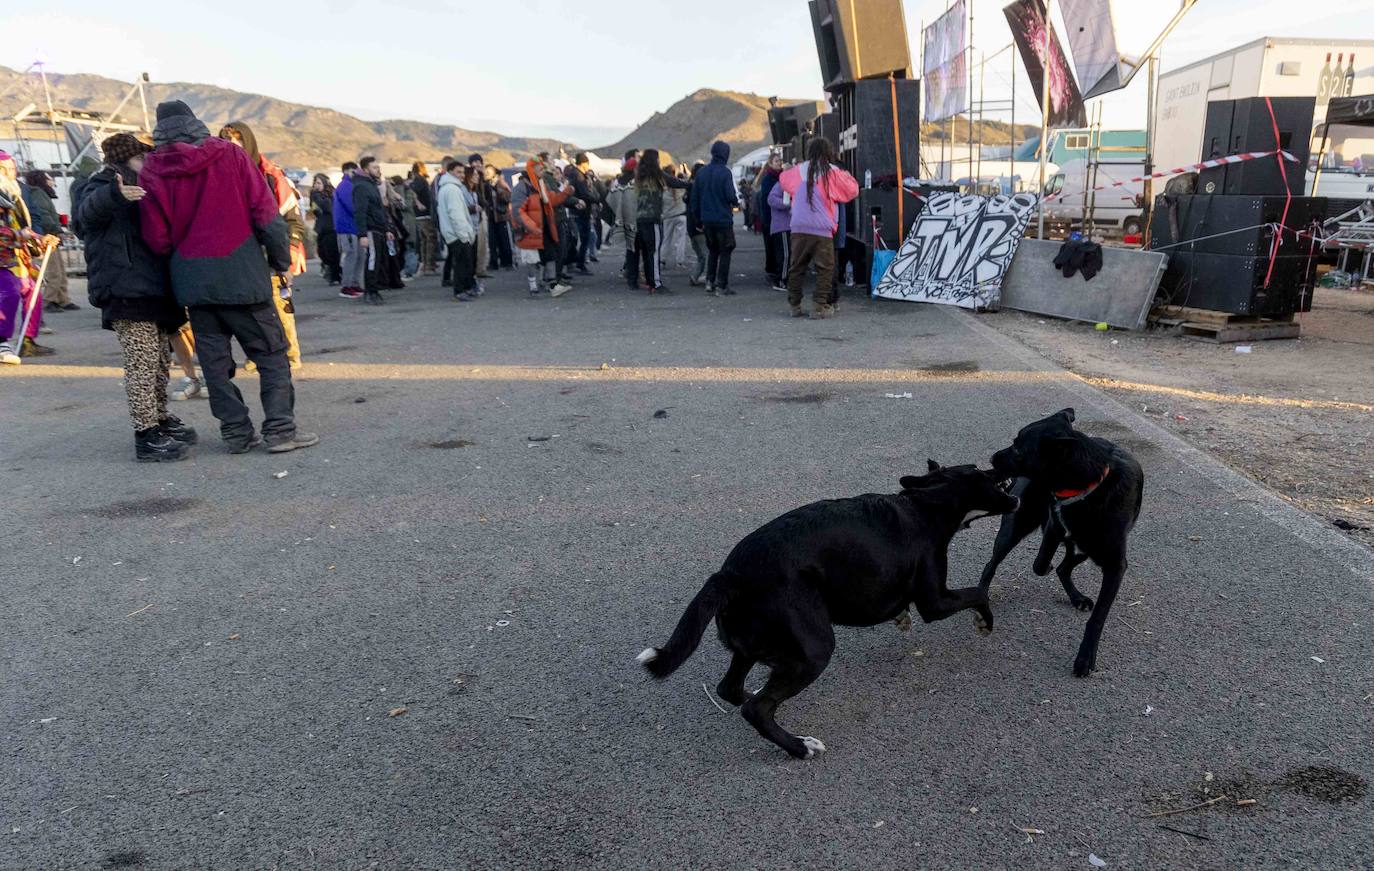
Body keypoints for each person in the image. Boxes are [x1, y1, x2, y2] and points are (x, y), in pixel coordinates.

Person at [138, 100, 317, 454]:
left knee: (215, 364)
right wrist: (281, 261)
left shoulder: (152, 170)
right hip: (242, 275)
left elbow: (156, 237)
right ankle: (280, 430)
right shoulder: (229, 156)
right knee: (270, 354)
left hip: (193, 283)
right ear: (195, 123)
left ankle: (236, 433)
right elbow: (266, 215)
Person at [71, 132, 195, 462]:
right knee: (141, 364)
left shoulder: (147, 184)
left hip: (153, 288)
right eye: (143, 157)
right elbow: (84, 217)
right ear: (128, 157)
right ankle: (146, 433)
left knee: (158, 363)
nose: (149, 162)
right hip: (126, 290)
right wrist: (115, 194)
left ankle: (160, 418)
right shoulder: (101, 184)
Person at [218, 121, 305, 369]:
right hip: (238, 256)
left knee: (279, 306)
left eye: (238, 143)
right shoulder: (219, 178)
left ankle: (289, 353)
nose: (233, 149)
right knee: (247, 312)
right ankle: (257, 354)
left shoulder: (271, 175)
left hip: (271, 253)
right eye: (227, 144)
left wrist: (287, 258)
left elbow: (291, 218)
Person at [778, 137, 858, 319]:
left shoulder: (798, 170)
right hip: (822, 229)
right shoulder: (832, 172)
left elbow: (783, 180)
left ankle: (795, 306)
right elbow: (852, 189)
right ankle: (819, 307)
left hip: (798, 227)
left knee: (796, 268)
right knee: (825, 269)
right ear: (828, 152)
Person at [0, 150, 59, 362]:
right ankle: (2, 342)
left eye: (13, 169)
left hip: (16, 258)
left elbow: (22, 227)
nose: (12, 173)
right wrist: (19, 235)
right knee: (10, 293)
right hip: (4, 260)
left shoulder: (12, 196)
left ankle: (27, 340)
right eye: (7, 169)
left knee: (32, 293)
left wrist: (41, 239)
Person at [511, 157, 571, 298]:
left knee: (550, 256)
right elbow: (517, 211)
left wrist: (566, 193)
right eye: (540, 169)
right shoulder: (521, 188)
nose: (543, 172)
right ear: (532, 170)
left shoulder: (542, 184)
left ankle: (552, 286)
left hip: (544, 228)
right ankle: (533, 288)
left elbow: (551, 200)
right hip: (529, 231)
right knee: (532, 260)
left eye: (543, 169)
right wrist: (531, 227)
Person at [688, 140, 740, 296]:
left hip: (707, 221)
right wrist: (736, 202)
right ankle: (721, 285)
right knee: (726, 250)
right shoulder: (725, 172)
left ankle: (709, 281)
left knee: (713, 251)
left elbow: (694, 199)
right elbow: (731, 195)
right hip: (723, 220)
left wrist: (698, 220)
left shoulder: (702, 173)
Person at [633, 149, 688, 293]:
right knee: (654, 251)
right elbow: (674, 182)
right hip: (653, 219)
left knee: (645, 252)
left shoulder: (640, 175)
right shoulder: (658, 175)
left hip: (640, 219)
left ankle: (650, 282)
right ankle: (656, 284)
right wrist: (690, 184)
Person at [23, 171, 75, 312]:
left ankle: (62, 298)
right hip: (46, 236)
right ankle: (49, 300)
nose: (52, 181)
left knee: (60, 269)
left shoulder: (41, 194)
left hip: (50, 234)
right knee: (54, 270)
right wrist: (56, 229)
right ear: (43, 180)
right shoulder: (38, 193)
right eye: (49, 179)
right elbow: (44, 215)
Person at [436, 159, 478, 301]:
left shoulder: (448, 188)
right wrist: (464, 234)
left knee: (463, 262)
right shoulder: (452, 189)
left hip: (452, 232)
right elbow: (456, 215)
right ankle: (460, 291)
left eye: (462, 172)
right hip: (457, 234)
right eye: (458, 172)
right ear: (450, 172)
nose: (461, 175)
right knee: (462, 264)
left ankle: (465, 289)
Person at [352, 156, 391, 305]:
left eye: (378, 167)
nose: (378, 170)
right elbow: (360, 212)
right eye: (375, 167)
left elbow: (379, 209)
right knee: (372, 261)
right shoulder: (361, 186)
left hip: (378, 228)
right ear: (366, 169)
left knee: (377, 260)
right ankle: (370, 291)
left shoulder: (371, 185)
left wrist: (386, 228)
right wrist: (362, 234)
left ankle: (375, 289)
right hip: (370, 229)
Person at [565, 153, 599, 275]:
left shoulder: (575, 174)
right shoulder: (578, 176)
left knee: (581, 239)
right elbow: (585, 194)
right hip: (580, 212)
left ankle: (576, 263)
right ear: (584, 163)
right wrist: (597, 199)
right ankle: (579, 264)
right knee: (583, 239)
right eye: (587, 163)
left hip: (578, 211)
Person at [333, 161, 363, 298]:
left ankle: (355, 283)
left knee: (359, 256)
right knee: (351, 255)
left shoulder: (350, 185)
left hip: (353, 227)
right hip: (347, 227)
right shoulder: (345, 186)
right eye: (354, 171)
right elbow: (352, 206)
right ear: (347, 171)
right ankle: (346, 285)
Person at [758, 152, 787, 290]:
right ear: (770, 163)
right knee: (773, 248)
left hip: (779, 218)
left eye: (780, 160)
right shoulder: (768, 179)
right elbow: (767, 200)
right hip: (771, 219)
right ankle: (773, 273)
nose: (779, 163)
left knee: (778, 248)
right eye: (776, 161)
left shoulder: (781, 177)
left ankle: (775, 272)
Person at [608, 157, 638, 288]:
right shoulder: (636, 182)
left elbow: (610, 199)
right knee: (637, 250)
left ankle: (631, 277)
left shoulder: (617, 183)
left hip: (621, 219)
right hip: (634, 219)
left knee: (630, 250)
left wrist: (618, 213)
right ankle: (635, 276)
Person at [310, 174, 341, 285]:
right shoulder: (314, 196)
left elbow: (328, 208)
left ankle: (335, 276)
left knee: (332, 253)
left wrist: (318, 197)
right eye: (315, 183)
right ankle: (330, 270)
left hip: (331, 227)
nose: (316, 186)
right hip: (321, 228)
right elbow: (314, 210)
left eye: (319, 183)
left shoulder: (331, 194)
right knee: (322, 252)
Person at [408, 161, 438, 275]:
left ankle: (424, 264)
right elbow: (413, 192)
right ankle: (429, 266)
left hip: (419, 215)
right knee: (430, 239)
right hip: (425, 214)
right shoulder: (420, 180)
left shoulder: (415, 180)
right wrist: (418, 203)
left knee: (424, 240)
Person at [765, 170, 792, 294]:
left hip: (785, 226)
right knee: (785, 254)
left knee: (785, 254)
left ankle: (782, 278)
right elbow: (771, 199)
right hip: (782, 226)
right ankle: (781, 280)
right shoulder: (780, 185)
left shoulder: (786, 185)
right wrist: (786, 204)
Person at [484, 164, 514, 270]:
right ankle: (494, 262)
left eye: (489, 170)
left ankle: (508, 262)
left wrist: (498, 190)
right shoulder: (485, 184)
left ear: (495, 172)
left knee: (504, 240)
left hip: (501, 216)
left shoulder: (500, 183)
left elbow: (508, 197)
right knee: (492, 241)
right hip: (490, 217)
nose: (487, 172)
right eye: (486, 170)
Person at [684, 161, 708, 286]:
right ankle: (707, 277)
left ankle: (695, 276)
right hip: (698, 226)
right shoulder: (697, 189)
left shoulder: (689, 187)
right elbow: (696, 208)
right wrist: (701, 224)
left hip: (691, 227)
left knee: (701, 255)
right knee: (707, 253)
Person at [467, 155, 492, 279]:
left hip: (482, 212)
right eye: (474, 163)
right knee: (477, 243)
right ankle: (476, 270)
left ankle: (482, 269)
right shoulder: (469, 180)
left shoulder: (483, 180)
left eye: (478, 162)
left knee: (484, 243)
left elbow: (487, 196)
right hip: (475, 213)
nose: (476, 165)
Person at [661, 164, 688, 272]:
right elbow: (687, 181)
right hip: (681, 215)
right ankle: (680, 261)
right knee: (681, 239)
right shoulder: (680, 186)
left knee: (666, 239)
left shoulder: (663, 188)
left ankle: (662, 260)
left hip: (668, 217)